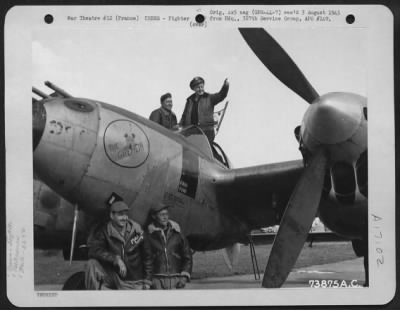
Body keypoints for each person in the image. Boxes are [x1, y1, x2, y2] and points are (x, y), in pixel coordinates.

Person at [85, 200, 152, 290]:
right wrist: (115, 259)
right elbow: (94, 250)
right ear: (112, 216)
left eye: (125, 214)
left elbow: (148, 257)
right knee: (91, 264)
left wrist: (147, 281)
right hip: (114, 277)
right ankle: (98, 300)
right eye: (120, 215)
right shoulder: (104, 231)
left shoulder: (138, 232)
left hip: (134, 281)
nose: (124, 218)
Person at [143, 203, 192, 289]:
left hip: (175, 279)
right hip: (157, 280)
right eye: (162, 215)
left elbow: (187, 256)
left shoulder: (178, 234)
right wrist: (148, 281)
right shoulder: (148, 236)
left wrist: (184, 277)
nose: (165, 217)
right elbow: (147, 260)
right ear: (154, 216)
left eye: (166, 214)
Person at [179, 77, 229, 142]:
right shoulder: (189, 100)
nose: (200, 89)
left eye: (202, 87)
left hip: (206, 133)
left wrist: (225, 86)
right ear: (193, 89)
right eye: (198, 87)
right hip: (191, 132)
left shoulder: (209, 98)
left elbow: (221, 96)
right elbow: (184, 115)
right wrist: (180, 125)